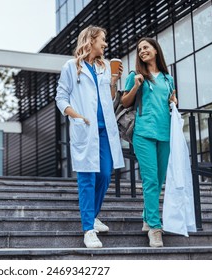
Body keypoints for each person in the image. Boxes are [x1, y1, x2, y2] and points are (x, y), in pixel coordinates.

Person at [55, 25, 125, 248]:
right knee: (87, 179)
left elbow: (109, 97)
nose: (105, 44)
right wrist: (76, 115)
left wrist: (114, 81)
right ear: (91, 40)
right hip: (85, 128)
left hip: (104, 129)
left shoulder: (104, 67)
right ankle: (88, 230)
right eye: (102, 39)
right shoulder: (71, 66)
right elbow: (61, 97)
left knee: (105, 174)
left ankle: (92, 216)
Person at [121, 37, 177, 247]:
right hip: (143, 134)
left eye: (145, 47)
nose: (142, 51)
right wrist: (135, 87)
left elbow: (170, 101)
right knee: (151, 180)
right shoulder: (136, 76)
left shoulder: (167, 79)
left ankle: (147, 216)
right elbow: (125, 101)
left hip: (165, 134)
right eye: (139, 49)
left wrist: (173, 101)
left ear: (155, 50)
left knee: (160, 179)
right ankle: (155, 227)